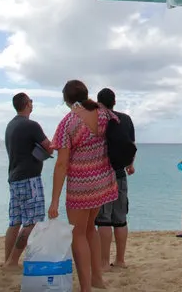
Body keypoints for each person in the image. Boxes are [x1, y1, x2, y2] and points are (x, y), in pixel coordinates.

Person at [48, 80, 119, 292]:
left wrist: (54, 201)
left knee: (78, 234)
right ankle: (97, 278)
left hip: (80, 187)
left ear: (66, 100)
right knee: (90, 230)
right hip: (102, 183)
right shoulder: (104, 114)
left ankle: (86, 288)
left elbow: (61, 164)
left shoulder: (68, 123)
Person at [4, 92, 52, 268]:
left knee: (15, 221)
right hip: (29, 179)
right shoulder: (32, 125)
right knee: (32, 222)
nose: (32, 104)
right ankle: (13, 261)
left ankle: (7, 260)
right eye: (31, 101)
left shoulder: (10, 125)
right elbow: (49, 147)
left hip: (14, 178)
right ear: (26, 104)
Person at [95, 88, 136, 271]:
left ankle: (104, 263)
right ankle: (120, 260)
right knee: (120, 219)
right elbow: (132, 146)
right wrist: (130, 165)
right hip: (120, 174)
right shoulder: (125, 119)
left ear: (99, 103)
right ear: (115, 102)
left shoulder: (99, 119)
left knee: (104, 220)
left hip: (103, 175)